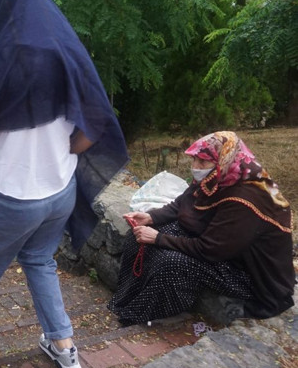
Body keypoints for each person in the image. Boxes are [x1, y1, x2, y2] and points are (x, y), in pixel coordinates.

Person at [0, 0, 128, 368]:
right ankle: (64, 346)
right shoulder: (67, 51)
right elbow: (95, 125)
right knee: (40, 262)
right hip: (60, 190)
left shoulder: (9, 54)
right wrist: (61, 150)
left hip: (13, 192)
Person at [108, 131, 294, 325]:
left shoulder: (245, 198)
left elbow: (210, 249)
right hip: (223, 247)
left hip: (248, 274)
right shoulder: (221, 175)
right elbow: (183, 202)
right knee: (137, 236)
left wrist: (158, 238)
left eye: (202, 162)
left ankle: (145, 316)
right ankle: (126, 299)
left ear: (224, 160)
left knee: (171, 262)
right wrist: (151, 217)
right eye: (195, 160)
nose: (196, 167)